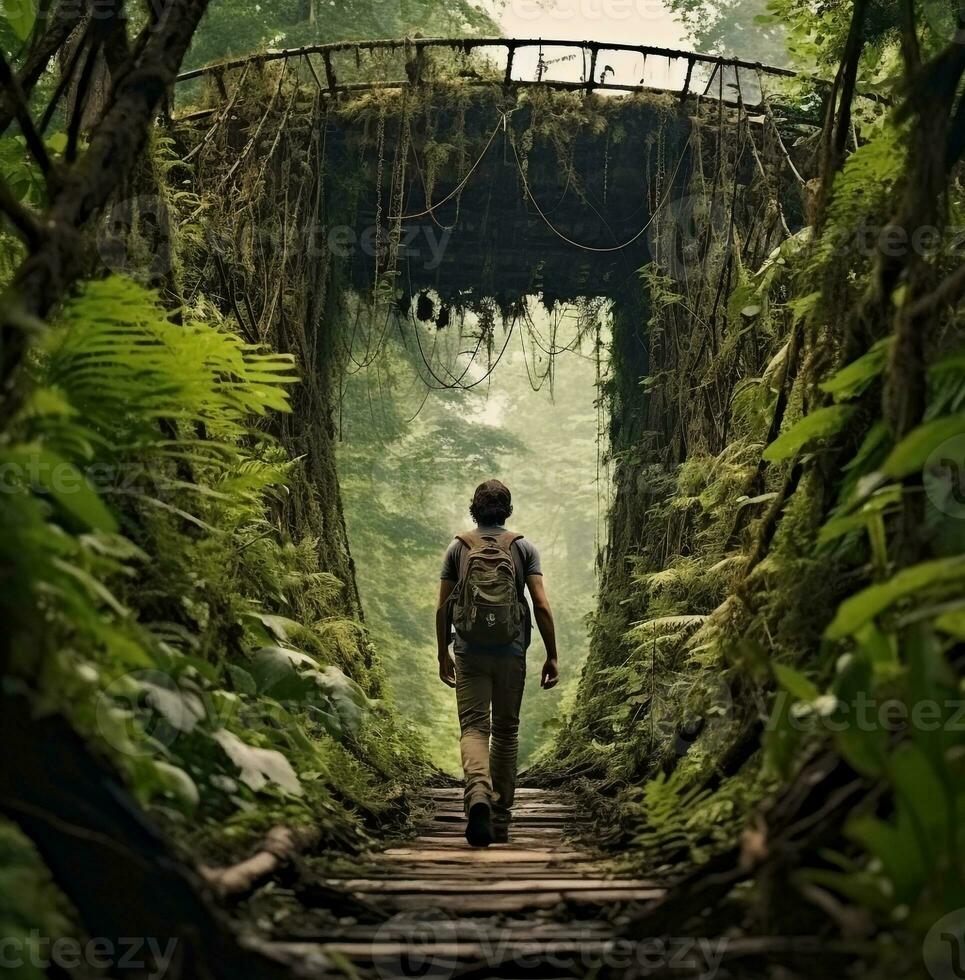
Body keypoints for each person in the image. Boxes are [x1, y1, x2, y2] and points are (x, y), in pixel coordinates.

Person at [435, 479, 559, 847]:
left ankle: (476, 794)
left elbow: (443, 608)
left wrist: (443, 652)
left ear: (475, 508)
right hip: (511, 651)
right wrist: (552, 654)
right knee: (505, 731)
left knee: (474, 728)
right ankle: (500, 816)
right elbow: (540, 604)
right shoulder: (524, 548)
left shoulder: (458, 548)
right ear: (507, 509)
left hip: (469, 651)